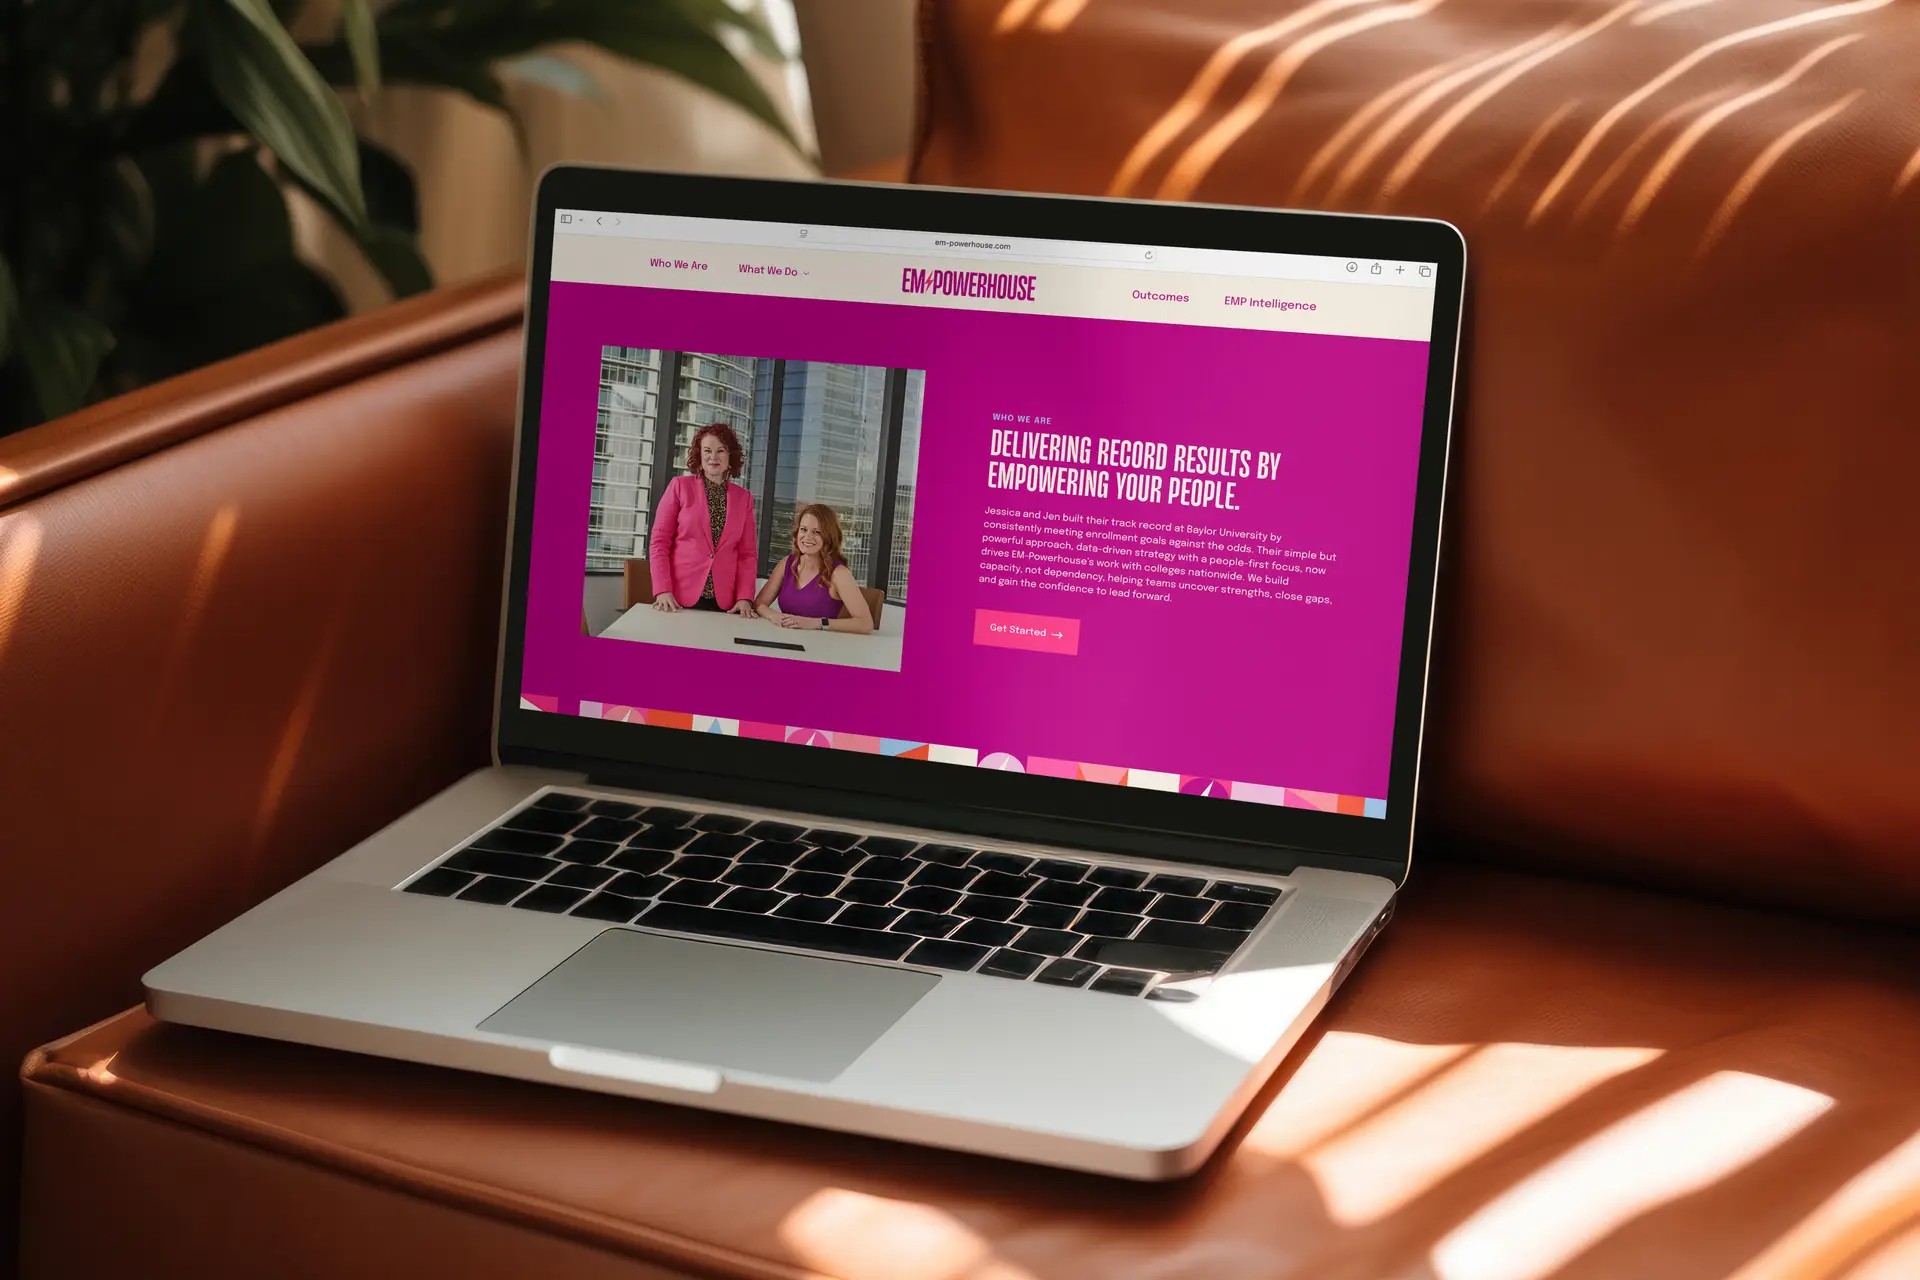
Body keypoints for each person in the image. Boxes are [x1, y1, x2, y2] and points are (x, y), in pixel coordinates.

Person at [648, 423, 758, 615]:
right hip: (677, 600)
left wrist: (744, 597)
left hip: (726, 604)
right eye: (707, 450)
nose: (713, 457)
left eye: (720, 451)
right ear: (699, 455)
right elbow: (659, 543)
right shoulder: (679, 487)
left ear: (730, 456)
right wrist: (662, 590)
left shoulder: (744, 498)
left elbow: (747, 554)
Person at [752, 503, 876, 633]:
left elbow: (866, 624)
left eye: (817, 532)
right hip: (786, 640)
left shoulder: (839, 574)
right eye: (803, 529)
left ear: (828, 537)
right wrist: (774, 616)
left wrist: (815, 623)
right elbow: (759, 604)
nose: (808, 537)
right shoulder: (786, 564)